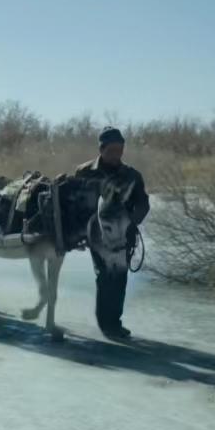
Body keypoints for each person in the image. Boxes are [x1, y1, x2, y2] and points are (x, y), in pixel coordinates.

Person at [74, 126, 150, 339]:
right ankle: (105, 323)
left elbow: (143, 204)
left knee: (120, 277)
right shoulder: (84, 172)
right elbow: (75, 204)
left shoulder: (132, 176)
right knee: (104, 275)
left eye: (120, 149)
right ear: (102, 148)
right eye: (112, 149)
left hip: (123, 236)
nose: (117, 153)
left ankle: (114, 321)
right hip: (96, 237)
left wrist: (131, 224)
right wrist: (80, 231)